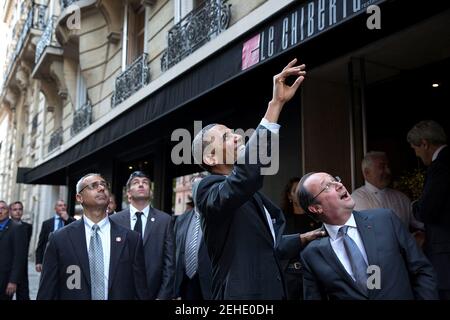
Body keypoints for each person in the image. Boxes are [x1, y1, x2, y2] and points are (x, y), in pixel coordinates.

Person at [192, 58, 324, 299]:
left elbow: (267, 247)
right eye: (225, 137)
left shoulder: (249, 194)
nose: (237, 137)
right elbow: (244, 179)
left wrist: (306, 237)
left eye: (234, 133)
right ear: (210, 158)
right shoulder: (205, 189)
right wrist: (275, 104)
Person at [297, 172, 438, 300]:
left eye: (336, 180)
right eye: (327, 186)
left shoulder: (385, 220)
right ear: (316, 208)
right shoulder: (312, 254)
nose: (339, 185)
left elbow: (421, 270)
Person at [37, 173, 148, 300]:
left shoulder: (131, 239)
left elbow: (140, 291)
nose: (101, 188)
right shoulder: (59, 239)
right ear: (79, 197)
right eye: (93, 186)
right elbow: (47, 291)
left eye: (104, 185)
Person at [110, 171, 175, 299]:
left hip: (153, 294)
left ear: (150, 192)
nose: (141, 185)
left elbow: (170, 263)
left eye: (145, 182)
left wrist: (162, 297)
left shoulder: (165, 220)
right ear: (128, 193)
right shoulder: (114, 220)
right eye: (136, 183)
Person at [407, 120, 450, 299]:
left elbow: (427, 211)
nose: (417, 154)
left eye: (415, 149)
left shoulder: (440, 166)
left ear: (425, 143)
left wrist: (415, 205)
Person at [351, 151, 424, 231]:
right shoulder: (357, 199)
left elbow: (421, 224)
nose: (388, 171)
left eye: (388, 166)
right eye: (382, 167)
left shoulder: (401, 198)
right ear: (367, 172)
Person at [280, 177, 321, 300]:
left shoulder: (317, 217)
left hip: (312, 271)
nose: (299, 193)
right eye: (295, 191)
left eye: (302, 190)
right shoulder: (281, 219)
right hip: (289, 274)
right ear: (289, 196)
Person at [174, 176, 212, 300]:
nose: (197, 189)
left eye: (201, 185)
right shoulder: (181, 220)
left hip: (209, 285)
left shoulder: (217, 218)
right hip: (185, 284)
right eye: (194, 186)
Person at [35, 200, 75, 272]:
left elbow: (76, 232)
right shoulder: (47, 223)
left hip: (66, 258)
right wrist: (38, 261)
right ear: (55, 208)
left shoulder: (72, 221)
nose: (63, 207)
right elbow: (41, 243)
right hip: (50, 258)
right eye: (60, 205)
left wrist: (67, 219)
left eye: (64, 205)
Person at [0, 200, 27, 300]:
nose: (0, 211)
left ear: (8, 212)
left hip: (6, 280)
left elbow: (19, 257)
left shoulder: (17, 228)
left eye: (3, 208)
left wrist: (13, 281)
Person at [9, 201, 32, 300]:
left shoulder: (27, 227)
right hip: (8, 267)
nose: (18, 212)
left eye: (20, 209)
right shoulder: (6, 226)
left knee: (23, 295)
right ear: (10, 212)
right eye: (15, 209)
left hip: (22, 267)